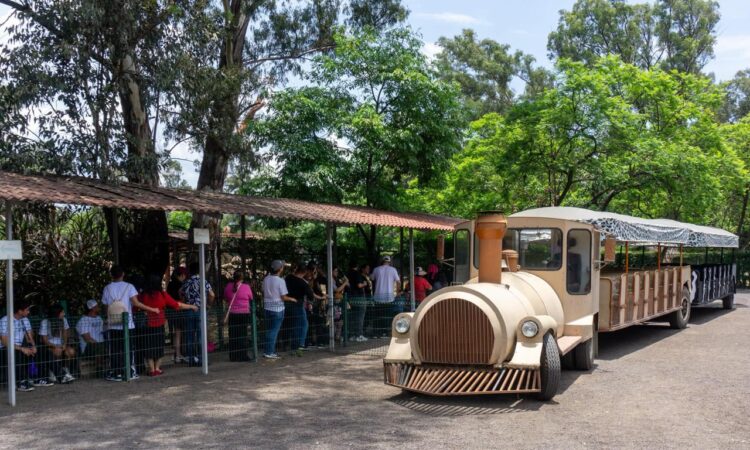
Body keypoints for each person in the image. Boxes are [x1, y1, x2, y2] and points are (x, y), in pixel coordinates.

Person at [102, 265, 159, 381]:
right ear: (123, 274)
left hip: (113, 324)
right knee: (128, 349)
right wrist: (152, 309)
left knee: (115, 350)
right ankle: (129, 371)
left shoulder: (107, 288)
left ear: (111, 275)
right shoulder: (129, 287)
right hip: (128, 324)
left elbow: (106, 307)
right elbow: (136, 303)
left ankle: (116, 373)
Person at [140, 274, 198, 376]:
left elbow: (136, 305)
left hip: (147, 325)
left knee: (149, 347)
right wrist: (191, 306)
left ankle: (152, 369)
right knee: (159, 346)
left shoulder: (143, 295)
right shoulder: (162, 295)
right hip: (159, 324)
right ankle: (157, 368)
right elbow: (176, 304)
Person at [0, 299, 47, 391]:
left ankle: (38, 378)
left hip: (20, 346)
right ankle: (21, 382)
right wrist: (22, 349)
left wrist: (33, 346)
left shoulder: (25, 320)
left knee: (41, 351)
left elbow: (29, 336)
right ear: (20, 311)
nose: (29, 312)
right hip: (5, 348)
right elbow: (4, 342)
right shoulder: (4, 320)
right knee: (17, 353)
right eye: (27, 310)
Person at [180, 262, 215, 367]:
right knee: (201, 336)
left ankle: (191, 359)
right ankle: (201, 359)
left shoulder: (186, 282)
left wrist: (185, 302)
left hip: (189, 310)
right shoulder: (203, 281)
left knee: (189, 336)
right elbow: (212, 294)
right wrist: (208, 304)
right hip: (201, 310)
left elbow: (180, 292)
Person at [262, 260, 295, 359]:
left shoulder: (266, 279)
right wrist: (292, 299)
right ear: (280, 269)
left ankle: (268, 350)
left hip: (267, 308)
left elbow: (263, 291)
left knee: (269, 331)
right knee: (274, 331)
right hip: (278, 309)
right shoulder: (280, 281)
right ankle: (269, 352)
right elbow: (283, 297)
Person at [284, 263, 317, 357]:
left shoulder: (288, 278)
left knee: (291, 325)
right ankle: (298, 346)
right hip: (298, 305)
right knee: (302, 325)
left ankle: (289, 345)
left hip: (286, 303)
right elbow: (311, 295)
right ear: (305, 272)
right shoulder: (303, 283)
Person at [39, 304, 76, 384]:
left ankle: (65, 369)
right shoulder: (45, 322)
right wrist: (54, 346)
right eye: (62, 312)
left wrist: (64, 344)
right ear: (56, 313)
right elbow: (44, 340)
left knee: (71, 351)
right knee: (57, 351)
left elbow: (65, 333)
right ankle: (52, 372)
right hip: (50, 345)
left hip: (61, 344)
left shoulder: (64, 320)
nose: (64, 314)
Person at [223, 270, 253, 362]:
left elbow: (226, 297)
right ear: (242, 278)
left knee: (233, 335)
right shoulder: (246, 287)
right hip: (243, 313)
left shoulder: (228, 286)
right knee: (242, 335)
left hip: (232, 313)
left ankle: (233, 356)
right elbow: (251, 297)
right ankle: (242, 355)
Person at [370, 256, 400, 337]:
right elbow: (398, 282)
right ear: (389, 262)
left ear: (382, 261)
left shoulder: (376, 269)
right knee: (388, 315)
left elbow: (372, 278)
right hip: (389, 297)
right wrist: (397, 292)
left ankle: (377, 332)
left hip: (378, 296)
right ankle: (386, 332)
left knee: (378, 315)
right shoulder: (393, 270)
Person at [76, 299, 107, 377]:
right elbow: (87, 338)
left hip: (100, 344)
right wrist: (99, 344)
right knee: (98, 347)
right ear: (92, 308)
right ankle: (100, 370)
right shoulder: (83, 320)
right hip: (88, 346)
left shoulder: (99, 318)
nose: (99, 308)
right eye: (97, 306)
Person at [166, 267, 188, 363]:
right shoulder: (181, 285)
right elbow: (182, 298)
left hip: (171, 311)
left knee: (176, 333)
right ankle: (178, 355)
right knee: (179, 334)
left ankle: (176, 354)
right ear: (182, 275)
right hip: (179, 310)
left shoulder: (170, 284)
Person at [346, 262, 368, 342]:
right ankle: (359, 335)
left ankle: (351, 335)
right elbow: (359, 285)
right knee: (360, 317)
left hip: (350, 298)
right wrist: (364, 284)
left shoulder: (347, 274)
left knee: (352, 317)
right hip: (359, 298)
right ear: (357, 266)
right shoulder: (357, 274)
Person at [331, 266, 349, 342]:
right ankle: (332, 337)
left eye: (337, 271)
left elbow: (348, 284)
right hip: (334, 301)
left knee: (340, 320)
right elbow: (337, 290)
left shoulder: (338, 279)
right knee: (335, 320)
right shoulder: (330, 280)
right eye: (335, 271)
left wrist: (345, 279)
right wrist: (345, 283)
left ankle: (338, 337)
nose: (337, 273)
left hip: (340, 301)